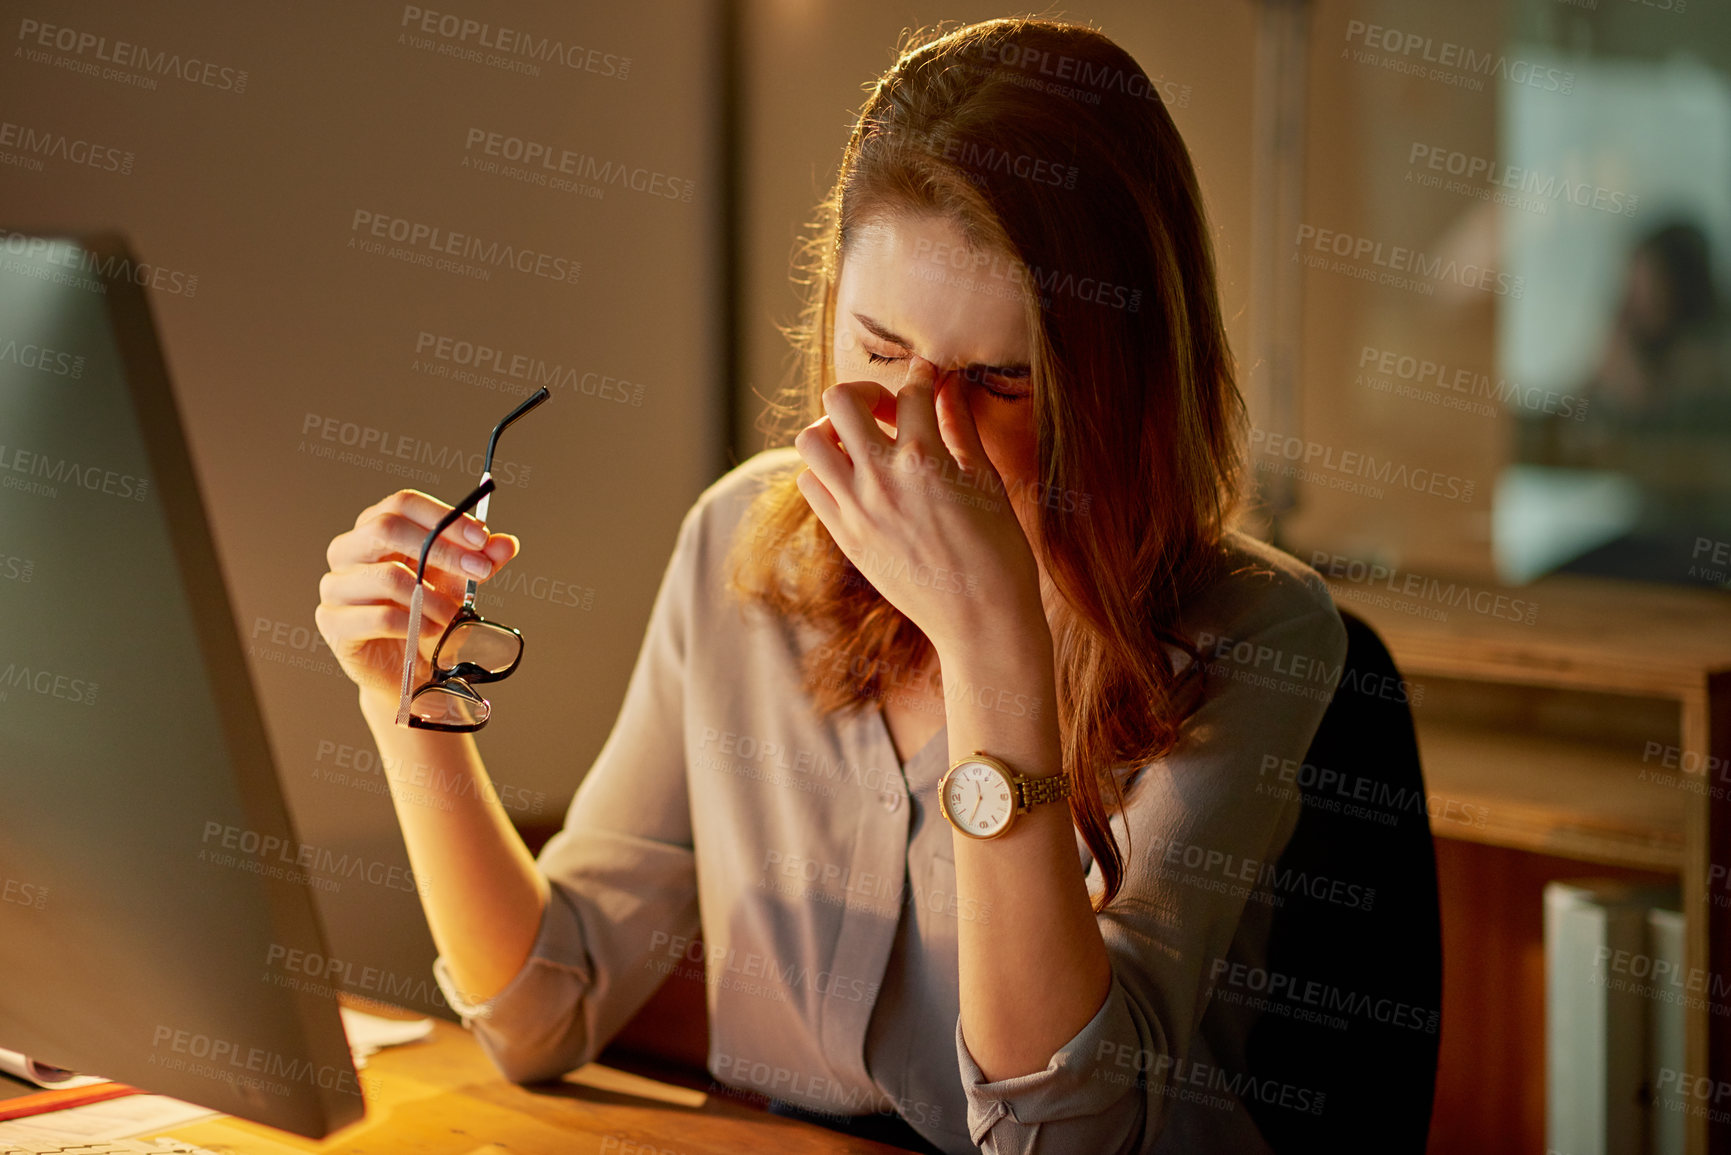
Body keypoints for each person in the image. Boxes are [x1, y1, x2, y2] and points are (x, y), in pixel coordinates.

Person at [315, 17, 1347, 1154]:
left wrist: (988, 645)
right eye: (881, 351)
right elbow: (543, 1009)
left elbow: (1062, 1131)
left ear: (1127, 387)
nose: (923, 435)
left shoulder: (1259, 631)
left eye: (1003, 379)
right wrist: (406, 699)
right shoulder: (739, 546)